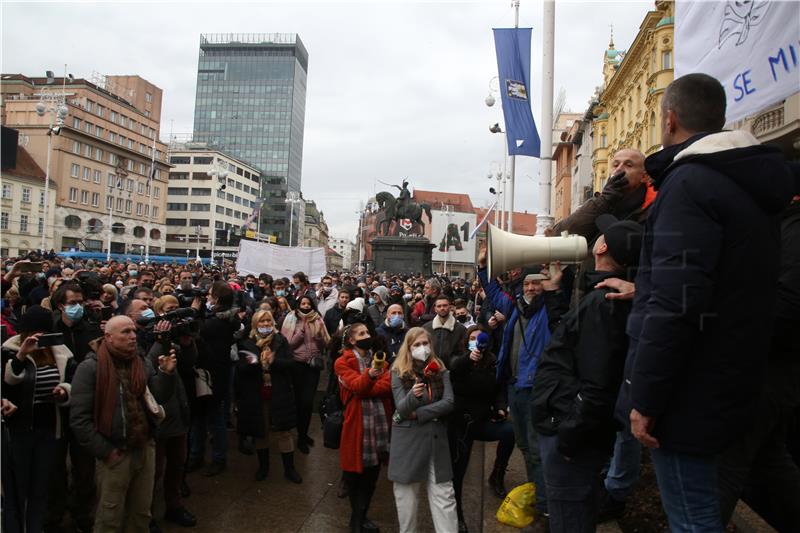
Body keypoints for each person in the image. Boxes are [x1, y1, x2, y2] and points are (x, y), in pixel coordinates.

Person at [617, 73, 794, 532]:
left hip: (689, 394)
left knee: (693, 520)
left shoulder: (690, 184)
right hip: (732, 378)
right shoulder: (746, 185)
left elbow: (674, 300)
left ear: (669, 119)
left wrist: (646, 396)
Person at [531, 215, 642, 533]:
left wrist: (569, 438)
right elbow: (570, 342)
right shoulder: (603, 299)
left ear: (602, 246)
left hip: (570, 437)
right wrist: (554, 293)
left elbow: (598, 384)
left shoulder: (602, 303)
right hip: (573, 429)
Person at [477, 251, 567, 524]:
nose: (530, 288)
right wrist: (482, 266)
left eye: (536, 283)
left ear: (544, 286)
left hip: (536, 389)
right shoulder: (514, 306)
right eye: (527, 284)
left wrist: (555, 279)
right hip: (515, 386)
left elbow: (559, 300)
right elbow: (492, 291)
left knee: (538, 450)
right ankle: (539, 494)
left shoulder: (549, 310)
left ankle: (545, 509)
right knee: (526, 447)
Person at [69, 315, 177, 533]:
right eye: (125, 332)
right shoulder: (90, 367)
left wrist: (165, 374)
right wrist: (106, 451)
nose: (133, 337)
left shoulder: (141, 361)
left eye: (133, 332)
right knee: (110, 516)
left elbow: (157, 397)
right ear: (108, 337)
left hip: (144, 447)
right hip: (115, 452)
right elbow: (79, 419)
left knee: (141, 513)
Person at [2, 306, 76, 533]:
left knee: (41, 486)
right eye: (35, 331)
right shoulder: (8, 350)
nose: (40, 337)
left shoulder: (61, 352)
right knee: (18, 487)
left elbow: (73, 381)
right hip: (19, 429)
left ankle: (36, 527)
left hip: (50, 429)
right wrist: (21, 356)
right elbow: (8, 384)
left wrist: (64, 391)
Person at [388, 327, 457, 533]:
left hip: (435, 440)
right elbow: (401, 407)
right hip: (408, 442)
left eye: (425, 344)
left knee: (445, 496)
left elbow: (449, 402)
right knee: (406, 499)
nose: (422, 348)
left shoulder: (441, 369)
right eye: (417, 345)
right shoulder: (398, 372)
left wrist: (419, 413)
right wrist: (412, 397)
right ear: (408, 348)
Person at [448, 325, 514, 533]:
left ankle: (497, 474)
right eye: (472, 338)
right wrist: (470, 359)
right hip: (461, 425)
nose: (476, 342)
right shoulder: (459, 358)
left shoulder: (493, 361)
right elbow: (455, 369)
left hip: (483, 422)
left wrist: (501, 408)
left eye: (479, 338)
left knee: (509, 432)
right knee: (459, 471)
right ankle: (457, 516)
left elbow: (498, 390)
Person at [335, 322, 393, 533]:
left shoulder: (381, 360)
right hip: (357, 425)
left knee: (372, 477)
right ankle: (356, 521)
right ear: (351, 340)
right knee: (355, 476)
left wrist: (367, 385)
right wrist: (369, 378)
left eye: (367, 332)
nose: (367, 335)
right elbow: (357, 385)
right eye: (361, 333)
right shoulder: (342, 362)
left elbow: (387, 386)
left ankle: (361, 517)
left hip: (379, 426)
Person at [147, 300, 198, 530]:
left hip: (178, 412)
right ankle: (145, 513)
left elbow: (188, 363)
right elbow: (151, 374)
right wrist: (160, 340)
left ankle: (174, 505)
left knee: (177, 464)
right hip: (156, 419)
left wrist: (186, 342)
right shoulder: (146, 339)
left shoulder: (173, 340)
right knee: (154, 470)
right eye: (169, 311)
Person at [235, 310, 303, 483]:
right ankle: (263, 467)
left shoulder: (280, 341)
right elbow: (242, 368)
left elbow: (291, 364)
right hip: (257, 395)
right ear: (255, 324)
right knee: (261, 431)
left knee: (284, 432)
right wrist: (257, 361)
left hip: (279, 392)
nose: (265, 325)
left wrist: (274, 361)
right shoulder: (247, 343)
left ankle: (290, 468)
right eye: (262, 322)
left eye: (268, 322)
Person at [189, 281, 240, 476]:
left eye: (209, 294)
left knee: (213, 418)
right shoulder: (224, 319)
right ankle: (197, 454)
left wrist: (194, 313)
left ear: (217, 298)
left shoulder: (216, 323)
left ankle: (217, 458)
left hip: (212, 376)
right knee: (203, 417)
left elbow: (200, 335)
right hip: (215, 373)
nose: (207, 297)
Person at [281, 295, 330, 454]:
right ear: (298, 304)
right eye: (303, 303)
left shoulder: (317, 319)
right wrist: (299, 334)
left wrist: (319, 338)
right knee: (297, 401)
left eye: (308, 303)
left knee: (307, 402)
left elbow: (325, 344)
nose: (306, 306)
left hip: (312, 366)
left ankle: (303, 435)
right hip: (296, 364)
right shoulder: (290, 318)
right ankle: (297, 434)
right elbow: (286, 345)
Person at [422, 295, 467, 368]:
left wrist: (454, 362)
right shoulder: (426, 328)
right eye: (439, 306)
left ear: (450, 307)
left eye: (445, 305)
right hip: (430, 370)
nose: (442, 308)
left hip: (452, 370)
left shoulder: (461, 329)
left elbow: (463, 352)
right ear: (435, 309)